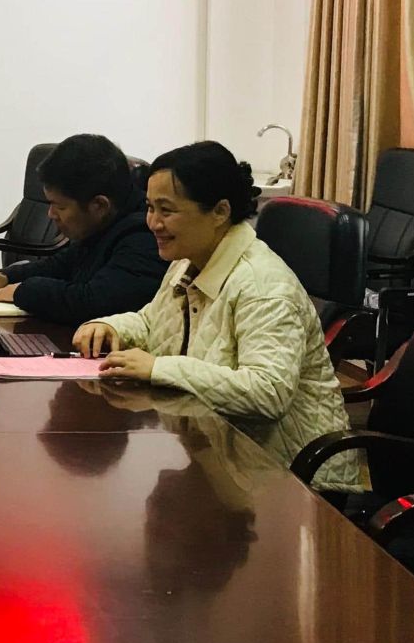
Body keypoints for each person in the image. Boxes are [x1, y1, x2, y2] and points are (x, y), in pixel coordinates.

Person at [74, 141, 356, 488]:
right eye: (149, 208)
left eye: (166, 210)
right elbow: (152, 322)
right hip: (222, 459)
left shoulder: (262, 285)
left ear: (220, 212)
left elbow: (268, 392)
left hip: (293, 479)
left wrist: (160, 368)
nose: (153, 223)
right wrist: (109, 326)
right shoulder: (188, 259)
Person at [0, 134, 164, 328]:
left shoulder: (146, 236)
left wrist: (20, 291)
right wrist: (4, 277)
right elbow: (64, 264)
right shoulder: (105, 220)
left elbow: (93, 302)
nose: (50, 214)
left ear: (99, 205)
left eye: (60, 207)